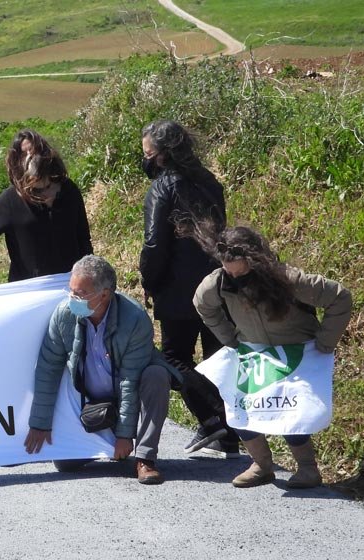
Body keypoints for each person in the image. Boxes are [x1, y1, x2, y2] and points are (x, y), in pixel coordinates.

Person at [193, 226, 352, 488]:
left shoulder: (288, 279)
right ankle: (261, 465)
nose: (234, 277)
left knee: (291, 409)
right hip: (254, 353)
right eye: (228, 270)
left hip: (297, 352)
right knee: (239, 406)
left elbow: (340, 298)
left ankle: (308, 469)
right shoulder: (218, 282)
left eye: (240, 272)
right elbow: (202, 304)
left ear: (255, 260)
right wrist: (230, 339)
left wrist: (325, 342)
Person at [24, 255, 179, 484]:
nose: (72, 298)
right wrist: (40, 423)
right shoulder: (64, 315)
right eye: (71, 291)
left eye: (80, 294)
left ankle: (145, 458)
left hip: (130, 390)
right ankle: (104, 445)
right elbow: (49, 368)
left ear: (104, 294)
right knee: (65, 464)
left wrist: (124, 435)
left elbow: (130, 379)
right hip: (93, 401)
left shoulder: (134, 318)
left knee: (156, 376)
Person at [138, 119, 239, 457]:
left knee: (171, 358)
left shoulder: (162, 188)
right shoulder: (210, 182)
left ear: (162, 155)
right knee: (217, 359)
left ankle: (214, 420)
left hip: (177, 288)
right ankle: (230, 433)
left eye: (148, 154)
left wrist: (149, 282)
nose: (146, 160)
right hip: (217, 284)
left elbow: (154, 244)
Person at [0, 129, 92, 300]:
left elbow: (83, 238)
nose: (30, 156)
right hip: (28, 292)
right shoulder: (10, 200)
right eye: (24, 153)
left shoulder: (69, 190)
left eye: (34, 151)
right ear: (18, 162)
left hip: (68, 287)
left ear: (46, 154)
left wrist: (89, 277)